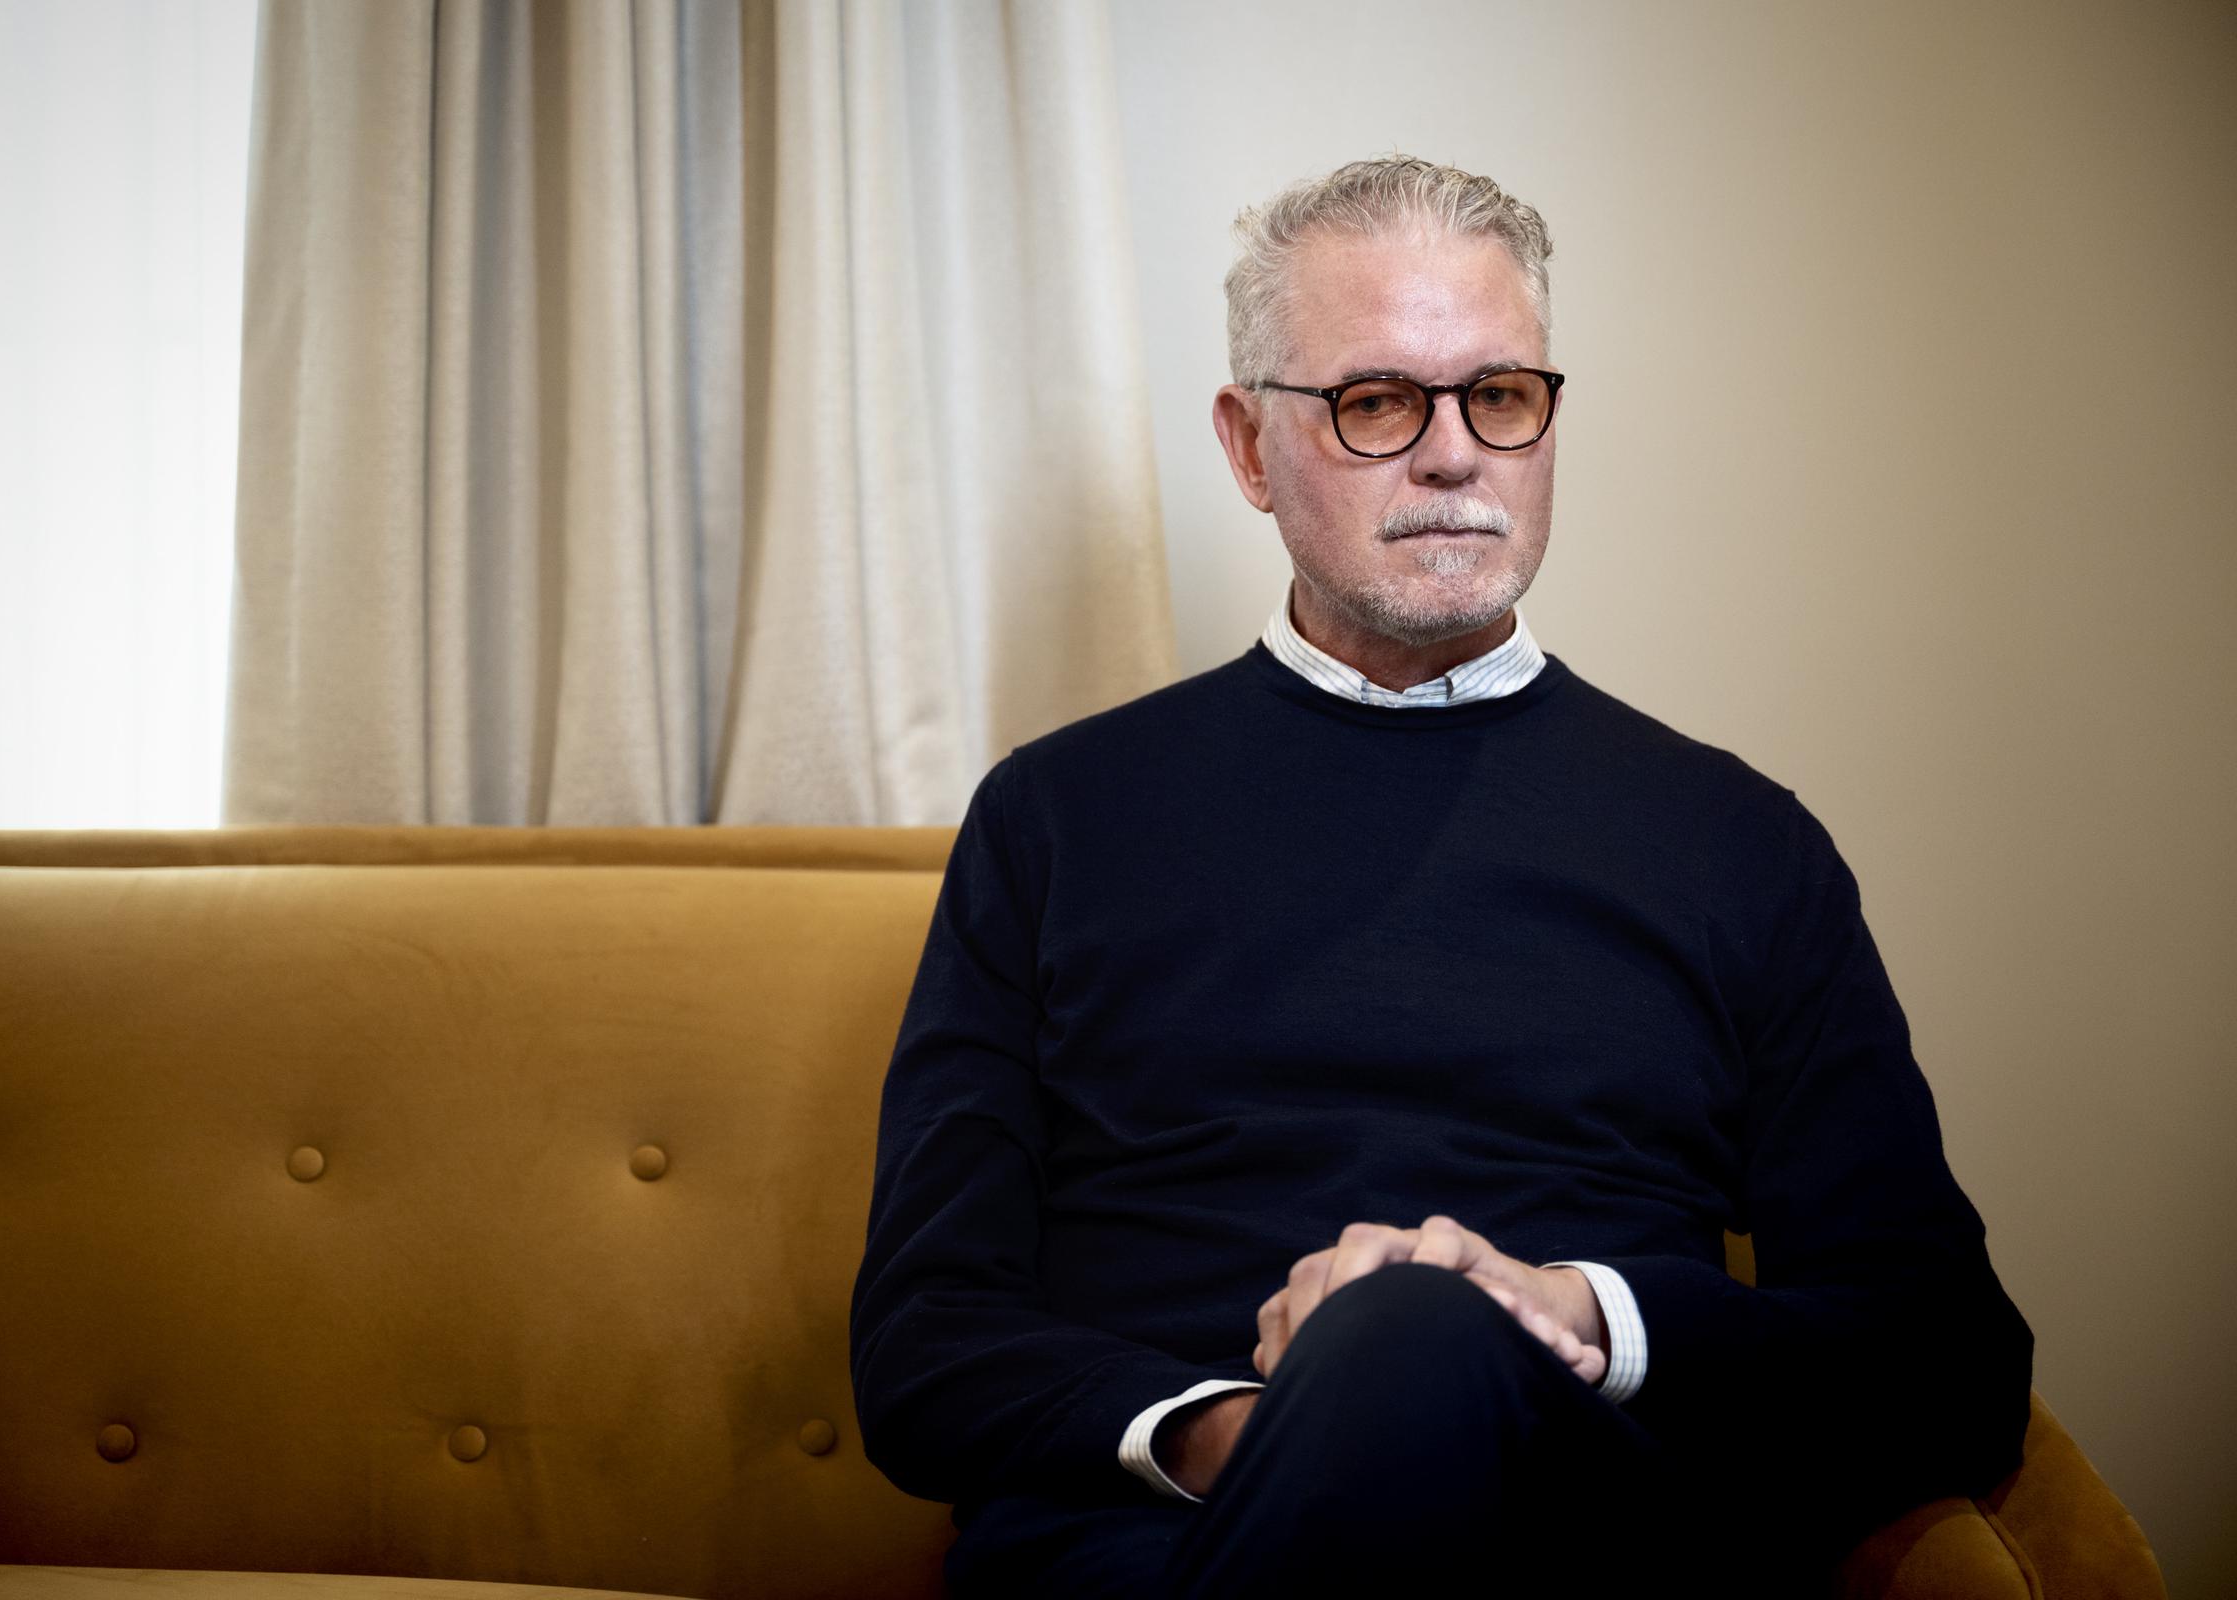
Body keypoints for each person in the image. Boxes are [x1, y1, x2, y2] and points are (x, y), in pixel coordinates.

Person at [849, 156, 2032, 1597]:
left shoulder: (1739, 844)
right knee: (1391, 1346)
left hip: (1585, 1528)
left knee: (1415, 1331)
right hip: (1159, 1546)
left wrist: (1579, 1318)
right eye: (1377, 403)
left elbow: (1951, 1359)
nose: (1456, 455)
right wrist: (1240, 1435)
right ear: (1247, 447)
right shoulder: (1054, 819)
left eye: (1501, 396)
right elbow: (925, 1339)